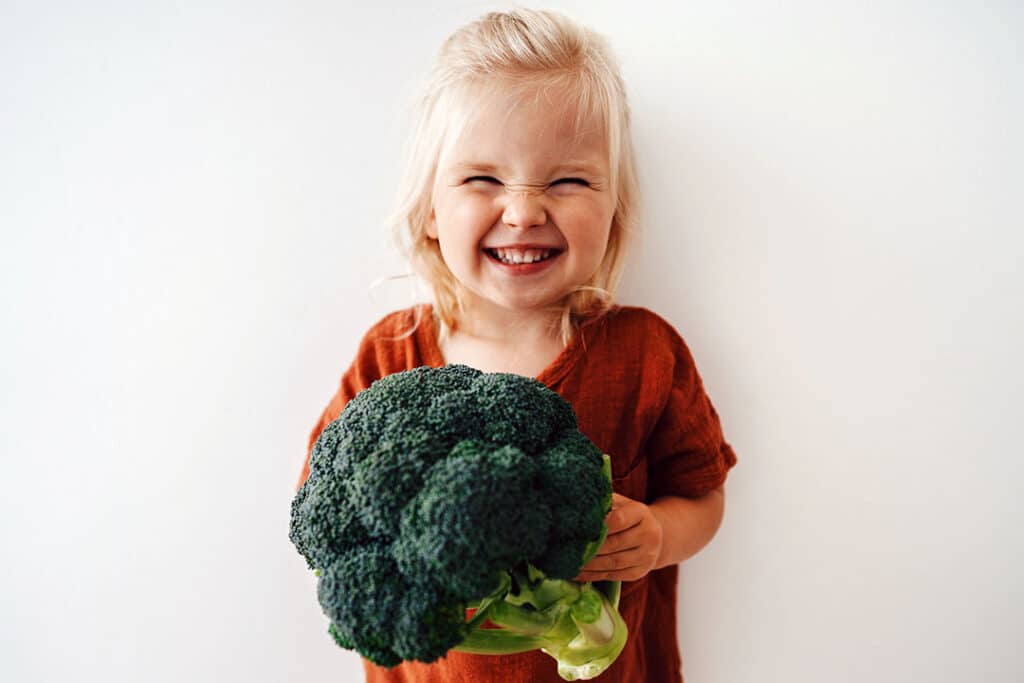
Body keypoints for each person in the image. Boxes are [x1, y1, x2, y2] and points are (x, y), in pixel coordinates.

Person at [296, 8, 737, 682]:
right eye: (483, 179)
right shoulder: (390, 355)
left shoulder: (645, 354)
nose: (524, 209)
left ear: (614, 207)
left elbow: (703, 497)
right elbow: (328, 507)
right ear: (429, 211)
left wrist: (656, 536)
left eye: (567, 181)